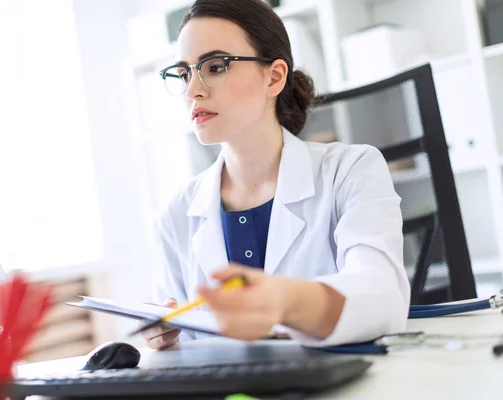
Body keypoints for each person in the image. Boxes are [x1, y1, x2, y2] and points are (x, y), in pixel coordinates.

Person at [141, 0, 410, 350]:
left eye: (215, 67)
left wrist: (285, 301)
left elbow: (382, 296)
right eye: (183, 73)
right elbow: (186, 344)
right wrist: (161, 335)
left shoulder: (350, 171)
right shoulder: (176, 214)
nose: (193, 89)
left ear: (275, 77)